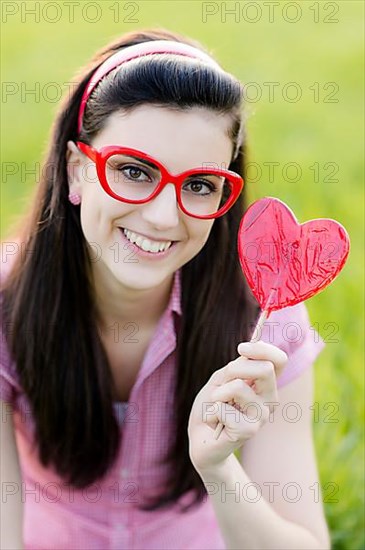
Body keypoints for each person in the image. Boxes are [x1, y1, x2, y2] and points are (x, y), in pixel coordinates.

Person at [0, 28, 331, 549]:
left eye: (199, 185)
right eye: (133, 171)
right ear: (77, 171)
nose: (162, 215)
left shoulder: (266, 317)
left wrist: (219, 469)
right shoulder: (5, 303)